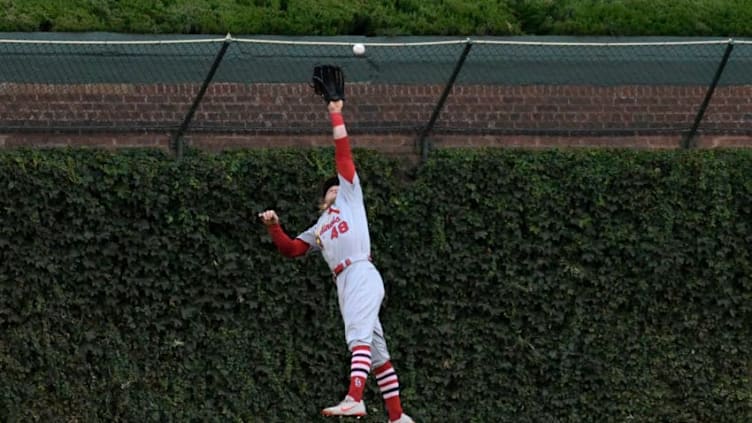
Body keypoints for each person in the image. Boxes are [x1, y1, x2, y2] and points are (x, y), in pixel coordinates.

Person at [258, 100, 414, 423]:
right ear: (322, 200)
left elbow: (343, 155)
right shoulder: (319, 227)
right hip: (344, 283)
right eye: (328, 189)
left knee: (357, 339)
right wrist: (274, 227)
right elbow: (291, 249)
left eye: (335, 186)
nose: (333, 189)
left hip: (360, 271)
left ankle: (354, 397)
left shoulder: (350, 197)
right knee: (377, 354)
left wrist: (335, 113)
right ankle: (397, 417)